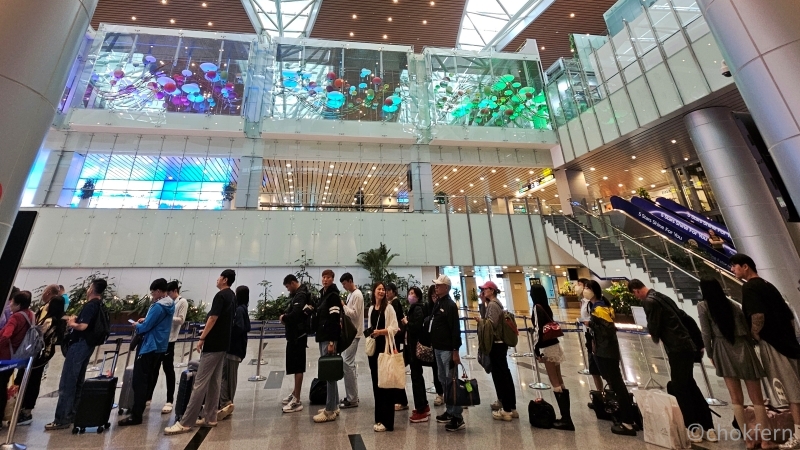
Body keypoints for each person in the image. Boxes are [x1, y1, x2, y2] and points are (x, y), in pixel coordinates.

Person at [630, 279, 717, 442]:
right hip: (687, 346)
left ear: (636, 291)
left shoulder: (649, 302)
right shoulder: (661, 296)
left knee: (681, 387)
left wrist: (652, 332)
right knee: (689, 384)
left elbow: (654, 327)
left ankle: (693, 427)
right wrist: (697, 342)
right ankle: (708, 427)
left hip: (677, 348)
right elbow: (685, 317)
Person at [731, 254, 800, 450]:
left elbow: (757, 315)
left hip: (774, 344)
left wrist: (755, 335)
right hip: (789, 343)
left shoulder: (750, 287)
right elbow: (788, 315)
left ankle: (798, 434)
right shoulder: (768, 285)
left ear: (745, 267)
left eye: (735, 267)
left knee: (790, 390)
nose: (733, 271)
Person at [697, 277, 772, 447]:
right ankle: (766, 440)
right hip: (744, 347)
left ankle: (748, 439)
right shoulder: (733, 305)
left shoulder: (703, 306)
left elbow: (706, 333)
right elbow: (745, 327)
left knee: (736, 398)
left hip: (722, 348)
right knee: (757, 398)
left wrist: (710, 353)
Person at [165, 269, 236, 435]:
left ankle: (186, 422)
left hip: (213, 344)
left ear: (225, 279)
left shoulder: (220, 296)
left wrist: (202, 337)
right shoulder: (232, 296)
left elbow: (213, 318)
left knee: (200, 383)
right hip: (223, 344)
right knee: (214, 381)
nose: (217, 279)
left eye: (219, 277)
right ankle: (210, 417)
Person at [46, 278, 108, 431]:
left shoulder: (90, 305)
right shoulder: (100, 304)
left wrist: (72, 323)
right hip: (89, 345)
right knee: (78, 379)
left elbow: (83, 326)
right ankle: (73, 413)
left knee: (68, 381)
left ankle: (62, 418)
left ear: (92, 289)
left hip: (80, 343)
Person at [119, 278, 175, 426]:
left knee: (140, 380)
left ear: (158, 291)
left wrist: (138, 325)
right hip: (161, 346)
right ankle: (139, 410)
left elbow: (146, 327)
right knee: (148, 377)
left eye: (152, 292)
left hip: (150, 345)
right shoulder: (170, 304)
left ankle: (136, 414)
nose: (152, 295)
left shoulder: (158, 306)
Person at [585, 280, 637, 437]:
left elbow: (607, 330)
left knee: (617, 384)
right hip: (604, 350)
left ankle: (628, 422)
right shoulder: (598, 306)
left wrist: (591, 325)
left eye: (587, 288)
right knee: (615, 383)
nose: (585, 290)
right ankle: (623, 415)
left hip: (606, 351)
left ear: (594, 290)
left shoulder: (600, 308)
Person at [18, 288, 65, 425]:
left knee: (31, 380)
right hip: (42, 354)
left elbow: (39, 335)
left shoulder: (49, 321)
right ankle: (25, 408)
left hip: (39, 355)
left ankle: (26, 411)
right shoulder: (57, 320)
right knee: (32, 380)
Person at [530, 283, 573, 431]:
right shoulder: (546, 307)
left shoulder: (536, 307)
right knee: (559, 379)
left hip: (546, 347)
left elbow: (537, 330)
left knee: (554, 380)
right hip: (555, 345)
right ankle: (566, 417)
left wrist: (536, 349)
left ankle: (566, 419)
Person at [477, 281, 518, 422]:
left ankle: (507, 409)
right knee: (502, 373)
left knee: (502, 374)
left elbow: (490, 325)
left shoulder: (494, 305)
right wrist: (483, 303)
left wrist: (479, 321)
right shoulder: (493, 304)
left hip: (497, 344)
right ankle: (509, 405)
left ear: (492, 291)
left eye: (485, 289)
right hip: (498, 344)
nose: (483, 291)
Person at [430, 275, 465, 432]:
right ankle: (450, 411)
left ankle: (457, 416)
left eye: (439, 285)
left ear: (446, 287)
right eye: (436, 285)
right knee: (443, 380)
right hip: (438, 348)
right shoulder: (438, 302)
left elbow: (455, 329)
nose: (436, 287)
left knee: (451, 382)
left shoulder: (450, 305)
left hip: (447, 350)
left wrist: (455, 351)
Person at [367, 282, 401, 432]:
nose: (381, 291)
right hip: (374, 350)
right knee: (376, 384)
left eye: (383, 289)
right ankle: (379, 417)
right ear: (374, 292)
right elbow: (369, 326)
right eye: (379, 289)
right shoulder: (371, 309)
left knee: (385, 384)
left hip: (384, 348)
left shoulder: (389, 308)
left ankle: (387, 422)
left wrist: (380, 332)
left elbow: (395, 328)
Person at [0, 291, 35, 425]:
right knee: (3, 385)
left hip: (5, 356)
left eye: (12, 303)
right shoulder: (30, 315)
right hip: (18, 354)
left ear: (18, 304)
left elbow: (7, 334)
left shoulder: (15, 318)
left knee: (1, 386)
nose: (10, 305)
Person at [312, 269, 342, 423]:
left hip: (328, 338)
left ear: (332, 279)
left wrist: (331, 341)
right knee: (330, 372)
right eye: (323, 277)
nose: (325, 279)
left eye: (328, 277)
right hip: (322, 336)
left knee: (329, 373)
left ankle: (329, 410)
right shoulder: (324, 295)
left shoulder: (333, 296)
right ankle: (334, 405)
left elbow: (335, 320)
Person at [218, 285, 251, 421]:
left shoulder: (238, 310)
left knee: (227, 376)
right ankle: (226, 401)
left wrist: (227, 336)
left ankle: (227, 402)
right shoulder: (243, 309)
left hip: (233, 349)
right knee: (226, 375)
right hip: (238, 349)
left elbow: (239, 327)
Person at [280, 275, 310, 414]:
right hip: (295, 336)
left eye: (287, 286)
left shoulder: (301, 295)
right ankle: (294, 393)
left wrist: (284, 318)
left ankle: (297, 399)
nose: (287, 289)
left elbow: (295, 314)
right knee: (295, 365)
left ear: (292, 283)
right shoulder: (299, 294)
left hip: (298, 336)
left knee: (298, 366)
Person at [157, 281, 188, 415]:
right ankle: (148, 397)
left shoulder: (182, 302)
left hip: (170, 339)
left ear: (174, 291)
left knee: (168, 368)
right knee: (154, 368)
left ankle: (170, 399)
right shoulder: (166, 302)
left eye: (169, 292)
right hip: (160, 338)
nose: (168, 295)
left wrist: (167, 317)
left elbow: (181, 320)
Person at [405, 286, 431, 423]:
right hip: (413, 347)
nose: (410, 296)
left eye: (413, 294)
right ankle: (424, 405)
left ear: (418, 296)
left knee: (416, 377)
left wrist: (407, 323)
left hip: (415, 347)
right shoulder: (417, 308)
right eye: (409, 293)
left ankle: (421, 410)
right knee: (417, 376)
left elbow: (416, 326)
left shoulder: (418, 308)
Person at [339, 272, 364, 409]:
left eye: (344, 284)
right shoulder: (351, 294)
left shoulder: (357, 295)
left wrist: (343, 305)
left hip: (354, 334)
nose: (344, 287)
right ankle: (352, 395)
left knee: (347, 363)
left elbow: (355, 314)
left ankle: (352, 398)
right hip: (349, 333)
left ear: (350, 281)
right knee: (349, 364)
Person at [576, 278, 603, 395]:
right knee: (593, 369)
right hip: (588, 334)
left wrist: (589, 323)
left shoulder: (596, 304)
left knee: (602, 367)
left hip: (596, 337)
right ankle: (600, 394)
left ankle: (611, 394)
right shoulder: (584, 301)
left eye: (582, 286)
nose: (579, 287)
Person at [386, 282, 409, 412]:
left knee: (395, 370)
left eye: (389, 291)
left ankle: (401, 400)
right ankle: (397, 398)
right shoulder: (391, 304)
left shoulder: (395, 304)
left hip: (395, 341)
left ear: (394, 292)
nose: (387, 293)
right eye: (386, 290)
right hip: (393, 340)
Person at [426, 285, 443, 407]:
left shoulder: (445, 306)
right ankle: (440, 393)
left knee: (447, 370)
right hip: (433, 344)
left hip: (444, 345)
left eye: (436, 296)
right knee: (436, 369)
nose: (434, 298)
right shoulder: (428, 307)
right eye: (432, 296)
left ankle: (451, 393)